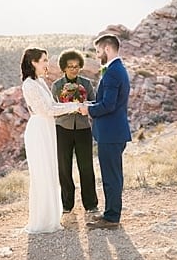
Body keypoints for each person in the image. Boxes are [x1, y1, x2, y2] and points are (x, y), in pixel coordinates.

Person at [20, 47, 82, 233]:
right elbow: (46, 111)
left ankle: (51, 218)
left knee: (51, 171)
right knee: (42, 172)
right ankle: (42, 221)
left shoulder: (39, 81)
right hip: (39, 130)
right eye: (44, 60)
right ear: (33, 62)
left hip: (47, 129)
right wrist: (75, 107)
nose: (47, 63)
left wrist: (75, 105)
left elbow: (53, 105)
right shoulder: (29, 84)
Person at [81, 34, 131, 229]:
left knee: (111, 177)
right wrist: (91, 104)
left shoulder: (112, 72)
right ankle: (111, 214)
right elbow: (110, 102)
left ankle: (111, 217)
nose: (97, 54)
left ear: (107, 49)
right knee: (113, 175)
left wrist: (89, 110)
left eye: (98, 50)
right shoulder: (118, 69)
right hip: (114, 132)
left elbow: (109, 105)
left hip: (110, 133)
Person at [51, 49, 99, 214]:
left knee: (86, 167)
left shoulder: (86, 83)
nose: (73, 69)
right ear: (64, 67)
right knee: (64, 168)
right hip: (62, 129)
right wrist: (68, 105)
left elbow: (94, 103)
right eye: (70, 66)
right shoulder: (56, 85)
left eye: (77, 66)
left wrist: (82, 104)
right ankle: (66, 205)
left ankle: (91, 204)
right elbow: (53, 107)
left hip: (83, 129)